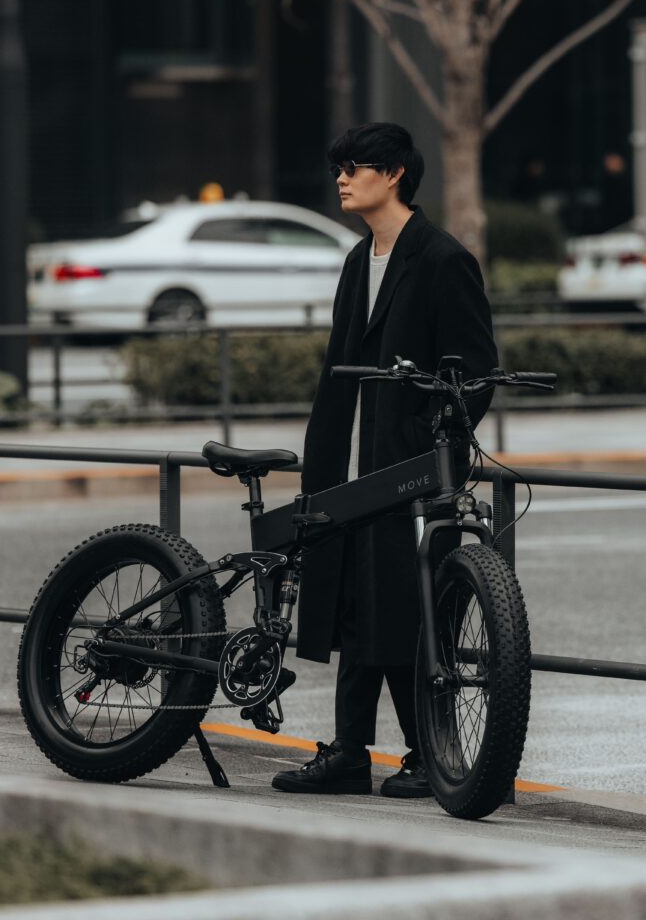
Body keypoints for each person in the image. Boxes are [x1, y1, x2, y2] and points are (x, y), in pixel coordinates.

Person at [271, 122, 498, 797]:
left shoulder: (441, 258)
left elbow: (478, 372)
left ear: (395, 173)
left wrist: (430, 445)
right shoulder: (356, 259)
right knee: (354, 602)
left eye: (356, 166)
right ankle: (351, 751)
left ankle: (425, 754)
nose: (342, 178)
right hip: (347, 466)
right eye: (339, 166)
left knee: (402, 605)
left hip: (409, 475)